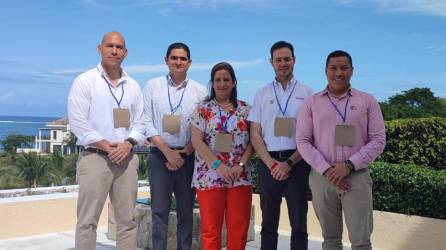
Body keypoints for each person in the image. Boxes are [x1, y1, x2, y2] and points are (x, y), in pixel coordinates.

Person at [296, 50, 386, 250]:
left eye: (344, 68)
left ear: (352, 71)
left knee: (361, 241)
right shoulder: (312, 103)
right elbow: (302, 141)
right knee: (330, 239)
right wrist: (327, 170)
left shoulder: (367, 101)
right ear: (325, 71)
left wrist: (349, 165)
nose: (338, 73)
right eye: (333, 68)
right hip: (322, 178)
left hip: (356, 177)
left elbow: (379, 139)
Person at [68, 31, 145, 250]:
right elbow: (78, 123)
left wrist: (128, 143)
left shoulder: (133, 86)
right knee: (87, 222)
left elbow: (141, 122)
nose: (114, 50)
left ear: (126, 52)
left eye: (119, 47)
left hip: (126, 160)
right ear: (99, 48)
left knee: (127, 222)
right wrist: (106, 146)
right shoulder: (84, 81)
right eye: (110, 46)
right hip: (95, 158)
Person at [248, 41, 314, 250]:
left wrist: (288, 163)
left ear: (294, 60)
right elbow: (255, 134)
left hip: (298, 163)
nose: (283, 63)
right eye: (278, 60)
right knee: (268, 224)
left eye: (287, 59)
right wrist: (272, 164)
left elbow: (312, 135)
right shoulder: (262, 94)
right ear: (271, 62)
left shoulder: (308, 93)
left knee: (299, 224)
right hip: (269, 164)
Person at [142, 42, 207, 250]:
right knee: (159, 212)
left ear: (189, 62)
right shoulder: (152, 86)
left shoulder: (200, 91)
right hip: (159, 156)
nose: (178, 62)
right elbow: (145, 121)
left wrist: (185, 152)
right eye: (174, 58)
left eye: (183, 59)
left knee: (185, 214)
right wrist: (168, 153)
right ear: (166, 60)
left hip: (188, 158)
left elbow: (202, 126)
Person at [190, 62, 253, 250]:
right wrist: (220, 167)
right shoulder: (202, 109)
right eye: (218, 80)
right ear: (212, 83)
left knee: (238, 230)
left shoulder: (246, 110)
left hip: (239, 177)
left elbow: (253, 142)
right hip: (209, 177)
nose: (222, 83)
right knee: (210, 231)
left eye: (226, 79)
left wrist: (239, 166)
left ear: (234, 82)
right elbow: (197, 141)